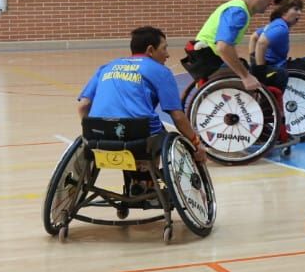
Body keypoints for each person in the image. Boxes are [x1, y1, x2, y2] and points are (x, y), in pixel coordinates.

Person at [77, 27, 207, 175]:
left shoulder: (107, 67)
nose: (168, 55)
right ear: (150, 50)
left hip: (99, 135)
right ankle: (147, 181)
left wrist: (91, 132)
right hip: (140, 137)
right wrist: (196, 143)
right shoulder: (161, 71)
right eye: (164, 49)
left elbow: (83, 106)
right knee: (160, 135)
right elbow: (177, 115)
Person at [188, 0, 275, 94]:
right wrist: (245, 76)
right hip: (209, 62)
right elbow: (223, 47)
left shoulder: (238, 8)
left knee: (247, 69)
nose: (271, 2)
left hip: (206, 58)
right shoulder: (238, 12)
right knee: (258, 81)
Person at [251, 0, 305, 77]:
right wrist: (260, 69)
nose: (299, 13)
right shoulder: (281, 28)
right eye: (296, 9)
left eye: (300, 10)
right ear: (284, 11)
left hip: (275, 66)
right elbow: (261, 43)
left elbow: (253, 37)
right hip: (276, 68)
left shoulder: (276, 23)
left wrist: (253, 62)